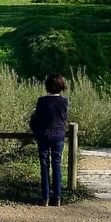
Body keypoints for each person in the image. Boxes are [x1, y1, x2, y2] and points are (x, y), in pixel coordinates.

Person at [29, 73, 69, 206]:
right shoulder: (64, 101)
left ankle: (45, 197)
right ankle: (57, 197)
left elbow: (37, 118)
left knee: (44, 166)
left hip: (44, 134)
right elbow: (64, 117)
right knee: (57, 165)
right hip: (58, 135)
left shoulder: (42, 101)